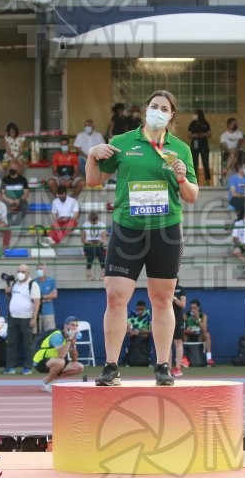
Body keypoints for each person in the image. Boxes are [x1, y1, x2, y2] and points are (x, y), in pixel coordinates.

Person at [86, 89, 198, 386]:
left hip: (165, 231)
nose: (158, 111)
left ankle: (163, 365)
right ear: (145, 109)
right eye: (154, 106)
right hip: (128, 230)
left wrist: (183, 178)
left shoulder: (180, 149)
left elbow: (191, 196)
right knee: (115, 297)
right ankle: (111, 367)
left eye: (164, 108)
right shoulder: (122, 143)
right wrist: (91, 155)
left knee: (162, 300)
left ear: (172, 115)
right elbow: (93, 180)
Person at [3, 264, 40, 376]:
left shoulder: (32, 284)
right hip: (13, 317)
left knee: (28, 344)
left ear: (28, 273)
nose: (20, 273)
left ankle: (28, 367)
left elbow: (37, 302)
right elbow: (12, 299)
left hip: (27, 318)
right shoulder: (14, 283)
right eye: (19, 271)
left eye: (23, 271)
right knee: (11, 343)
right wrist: (7, 293)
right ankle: (10, 367)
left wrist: (34, 318)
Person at [33, 316, 85, 393]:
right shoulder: (57, 336)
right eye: (72, 325)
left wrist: (73, 344)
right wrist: (69, 339)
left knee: (79, 367)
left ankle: (48, 380)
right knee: (61, 362)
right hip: (41, 361)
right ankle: (47, 383)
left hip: (55, 361)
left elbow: (74, 359)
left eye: (76, 326)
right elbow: (62, 355)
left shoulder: (70, 338)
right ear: (66, 326)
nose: (75, 328)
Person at [183, 300, 214, 367]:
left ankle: (209, 359)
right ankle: (184, 358)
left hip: (199, 335)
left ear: (198, 308)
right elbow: (182, 328)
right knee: (180, 335)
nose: (192, 310)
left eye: (194, 308)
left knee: (207, 335)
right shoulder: (185, 315)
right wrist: (186, 331)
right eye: (191, 308)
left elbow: (204, 329)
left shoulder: (203, 316)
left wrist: (198, 318)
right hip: (188, 335)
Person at [81, 211, 108, 281]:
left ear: (97, 219)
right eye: (92, 222)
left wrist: (100, 243)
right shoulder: (85, 225)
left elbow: (104, 239)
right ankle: (89, 274)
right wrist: (89, 242)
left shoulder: (102, 225)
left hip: (99, 245)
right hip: (88, 245)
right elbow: (83, 239)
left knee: (97, 248)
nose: (94, 223)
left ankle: (103, 273)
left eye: (95, 222)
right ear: (89, 220)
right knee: (93, 249)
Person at [124, 301, 152, 367]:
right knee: (127, 338)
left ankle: (148, 361)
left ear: (145, 308)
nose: (140, 311)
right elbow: (128, 329)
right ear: (136, 308)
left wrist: (139, 332)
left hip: (146, 336)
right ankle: (128, 362)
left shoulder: (149, 314)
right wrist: (133, 332)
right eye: (138, 309)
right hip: (133, 335)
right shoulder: (132, 314)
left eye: (142, 309)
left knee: (151, 338)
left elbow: (150, 330)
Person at [2, 161, 30, 227]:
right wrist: (8, 199)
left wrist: (19, 200)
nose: (12, 169)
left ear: (18, 169)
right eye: (11, 167)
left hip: (20, 200)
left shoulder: (23, 180)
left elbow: (26, 193)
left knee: (24, 205)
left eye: (14, 167)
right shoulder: (4, 180)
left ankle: (17, 222)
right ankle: (9, 222)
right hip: (8, 200)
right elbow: (2, 193)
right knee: (3, 205)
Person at [188, 109, 212, 184]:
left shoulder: (206, 123)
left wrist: (203, 134)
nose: (194, 116)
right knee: (194, 163)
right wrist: (196, 135)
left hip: (204, 145)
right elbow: (188, 135)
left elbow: (210, 134)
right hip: (195, 144)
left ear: (199, 115)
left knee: (205, 162)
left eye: (195, 114)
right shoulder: (192, 124)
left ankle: (207, 180)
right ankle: (194, 180)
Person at [35, 264, 58, 333]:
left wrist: (41, 297)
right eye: (38, 269)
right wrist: (47, 297)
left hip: (48, 312)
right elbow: (32, 297)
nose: (40, 271)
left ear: (45, 270)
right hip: (36, 312)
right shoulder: (33, 282)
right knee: (36, 334)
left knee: (50, 334)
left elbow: (54, 295)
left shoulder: (51, 281)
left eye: (41, 269)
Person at [171, 281, 187, 378]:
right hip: (166, 318)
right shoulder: (164, 288)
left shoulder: (181, 289)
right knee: (167, 344)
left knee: (178, 342)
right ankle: (166, 368)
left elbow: (183, 304)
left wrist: (174, 298)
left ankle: (177, 368)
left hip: (178, 318)